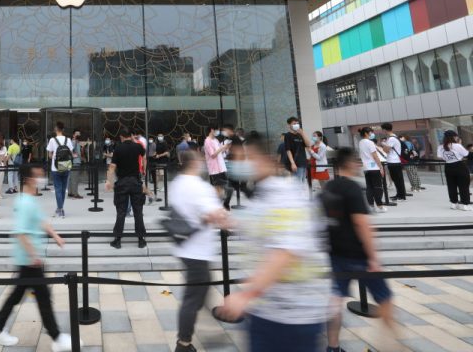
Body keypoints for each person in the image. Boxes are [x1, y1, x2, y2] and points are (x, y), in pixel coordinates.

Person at [219, 138, 329, 352]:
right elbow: (261, 226)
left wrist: (247, 295)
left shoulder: (284, 194)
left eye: (245, 158)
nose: (239, 164)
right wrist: (228, 220)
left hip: (294, 315)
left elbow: (285, 252)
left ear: (266, 161)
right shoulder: (263, 195)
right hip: (266, 310)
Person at [0, 165, 79, 351]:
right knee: (43, 298)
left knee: (17, 296)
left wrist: (55, 235)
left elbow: (40, 220)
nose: (42, 179)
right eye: (39, 176)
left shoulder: (28, 199)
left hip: (28, 259)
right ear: (29, 179)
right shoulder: (25, 203)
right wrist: (33, 255)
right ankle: (56, 337)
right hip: (29, 260)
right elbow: (20, 232)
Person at [322, 147, 396, 352]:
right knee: (385, 299)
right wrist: (373, 257)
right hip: (359, 255)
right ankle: (392, 345)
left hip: (336, 253)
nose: (358, 164)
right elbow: (362, 224)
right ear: (348, 163)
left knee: (335, 300)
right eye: (356, 161)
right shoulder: (352, 188)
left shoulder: (328, 187)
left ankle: (332, 347)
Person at [169, 150, 227, 352]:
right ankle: (183, 343)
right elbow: (215, 214)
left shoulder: (177, 183)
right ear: (194, 163)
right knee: (192, 298)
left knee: (201, 289)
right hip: (198, 251)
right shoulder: (199, 186)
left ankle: (209, 327)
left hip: (186, 247)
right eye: (200, 159)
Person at [106, 128, 147, 249]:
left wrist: (109, 181)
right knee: (138, 211)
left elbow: (112, 167)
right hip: (135, 182)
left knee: (121, 212)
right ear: (131, 135)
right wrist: (143, 171)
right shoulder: (138, 146)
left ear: (121, 137)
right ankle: (141, 240)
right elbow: (144, 158)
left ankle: (117, 240)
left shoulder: (118, 148)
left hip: (122, 182)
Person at [437, 130, 470, 211]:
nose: (456, 138)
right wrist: (460, 145)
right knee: (463, 186)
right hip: (459, 166)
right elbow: (466, 154)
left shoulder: (440, 147)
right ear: (453, 137)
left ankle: (453, 204)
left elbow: (439, 157)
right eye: (456, 136)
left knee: (451, 186)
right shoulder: (457, 145)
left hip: (448, 166)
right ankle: (465, 205)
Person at [46, 122, 73, 218]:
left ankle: (60, 209)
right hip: (66, 166)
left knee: (58, 189)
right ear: (63, 129)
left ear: (55, 129)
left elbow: (49, 155)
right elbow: (71, 153)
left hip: (56, 167)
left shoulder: (52, 140)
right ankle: (60, 208)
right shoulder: (68, 140)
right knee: (63, 189)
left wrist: (54, 156)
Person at [358, 127, 386, 213]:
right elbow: (375, 156)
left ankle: (371, 206)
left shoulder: (361, 142)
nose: (372, 134)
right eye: (371, 132)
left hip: (366, 167)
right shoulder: (370, 143)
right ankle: (380, 206)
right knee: (378, 187)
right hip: (374, 168)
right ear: (366, 133)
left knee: (369, 187)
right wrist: (381, 167)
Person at [381, 122, 407, 201]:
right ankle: (399, 194)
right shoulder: (394, 137)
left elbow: (386, 150)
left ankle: (401, 196)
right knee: (397, 179)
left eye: (382, 129)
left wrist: (383, 145)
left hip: (394, 161)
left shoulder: (391, 139)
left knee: (397, 179)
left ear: (385, 130)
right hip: (394, 161)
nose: (382, 131)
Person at [203, 124, 230, 198]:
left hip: (221, 167)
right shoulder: (207, 141)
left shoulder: (216, 140)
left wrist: (225, 148)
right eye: (217, 130)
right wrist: (222, 148)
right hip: (214, 168)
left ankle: (221, 200)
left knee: (222, 186)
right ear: (212, 130)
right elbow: (213, 155)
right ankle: (217, 201)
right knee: (218, 187)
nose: (218, 131)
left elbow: (219, 152)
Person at [283, 117, 310, 183]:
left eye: (297, 123)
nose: (296, 125)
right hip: (296, 163)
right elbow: (288, 150)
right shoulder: (288, 135)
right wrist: (292, 163)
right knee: (298, 183)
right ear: (289, 125)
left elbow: (308, 144)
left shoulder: (300, 135)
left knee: (303, 182)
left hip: (303, 162)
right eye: (294, 123)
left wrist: (302, 133)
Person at [67, 129, 83, 199]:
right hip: (75, 162)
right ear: (73, 135)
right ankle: (75, 194)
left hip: (71, 162)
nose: (78, 135)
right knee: (75, 178)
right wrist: (74, 155)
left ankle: (70, 192)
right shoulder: (74, 141)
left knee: (71, 178)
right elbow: (70, 150)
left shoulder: (73, 141)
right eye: (77, 134)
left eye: (79, 134)